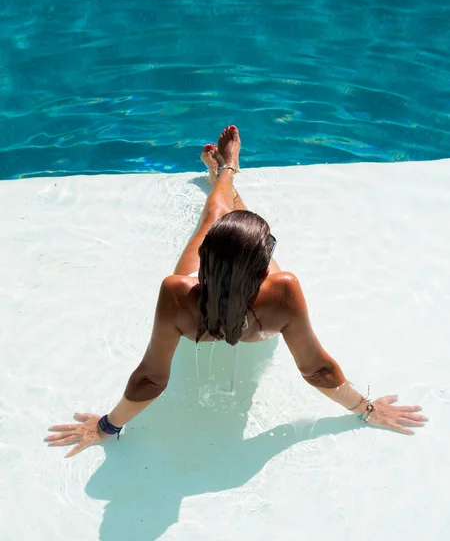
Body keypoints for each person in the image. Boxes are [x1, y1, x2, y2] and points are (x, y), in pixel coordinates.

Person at [45, 125, 427, 457]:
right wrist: (367, 410)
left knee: (217, 217)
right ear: (263, 269)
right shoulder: (282, 290)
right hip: (258, 314)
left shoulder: (177, 292)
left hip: (200, 305)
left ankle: (224, 176)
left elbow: (151, 377)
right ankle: (228, 173)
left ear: (203, 257)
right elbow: (318, 369)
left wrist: (107, 427)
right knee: (234, 222)